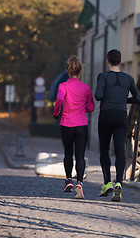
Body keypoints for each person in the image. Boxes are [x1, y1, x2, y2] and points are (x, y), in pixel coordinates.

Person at [95, 49, 140, 202]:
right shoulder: (128, 78)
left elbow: (98, 96)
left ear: (107, 61)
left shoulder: (103, 76)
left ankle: (107, 182)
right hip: (121, 116)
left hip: (106, 115)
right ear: (120, 61)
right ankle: (119, 184)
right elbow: (138, 98)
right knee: (119, 150)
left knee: (104, 149)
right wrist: (123, 100)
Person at [54, 55, 95, 199]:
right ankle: (79, 183)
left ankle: (68, 180)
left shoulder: (63, 86)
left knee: (68, 153)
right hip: (81, 125)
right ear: (80, 71)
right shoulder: (85, 88)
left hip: (66, 124)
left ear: (67, 71)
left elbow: (59, 99)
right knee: (80, 155)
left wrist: (56, 112)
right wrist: (84, 108)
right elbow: (90, 107)